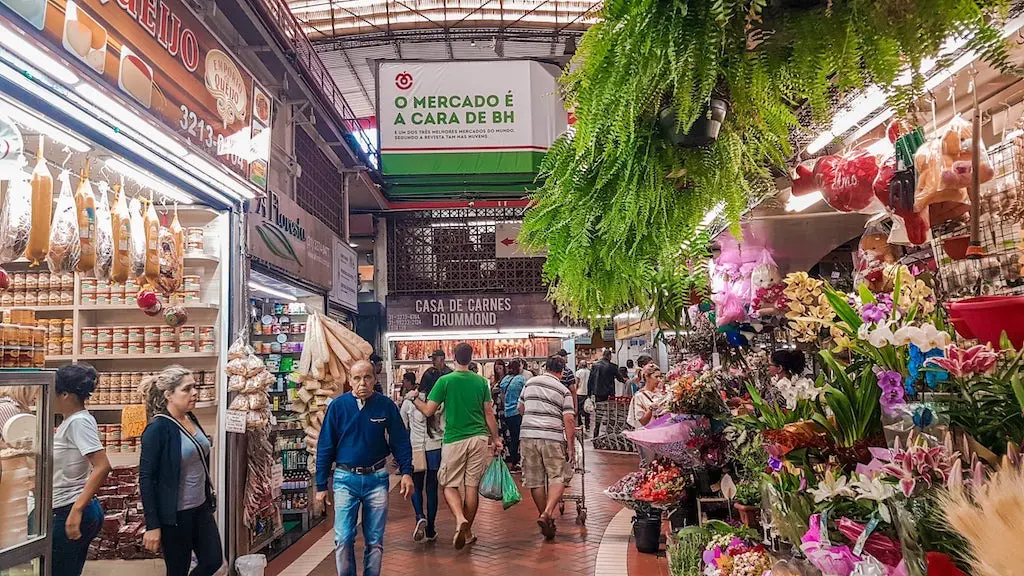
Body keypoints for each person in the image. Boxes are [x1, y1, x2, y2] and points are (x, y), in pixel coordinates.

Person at [315, 360, 413, 576]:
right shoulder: (338, 407)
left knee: (375, 541)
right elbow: (325, 445)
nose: (362, 383)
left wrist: (406, 471)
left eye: (367, 377)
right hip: (344, 479)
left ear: (374, 379)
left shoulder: (386, 406)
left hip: (376, 479)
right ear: (350, 381)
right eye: (357, 378)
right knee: (343, 538)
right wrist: (321, 485)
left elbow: (400, 440)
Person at [406, 342, 502, 550]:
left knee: (448, 484)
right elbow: (488, 413)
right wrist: (496, 439)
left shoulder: (445, 381)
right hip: (479, 438)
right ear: (471, 357)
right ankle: (467, 533)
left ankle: (460, 519)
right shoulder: (481, 382)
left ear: (453, 357)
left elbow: (429, 410)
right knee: (472, 486)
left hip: (455, 438)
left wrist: (414, 399)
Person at [139, 366, 222, 576]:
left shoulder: (190, 418)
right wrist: (152, 525)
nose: (194, 393)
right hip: (175, 515)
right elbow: (146, 478)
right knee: (178, 569)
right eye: (186, 389)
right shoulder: (157, 428)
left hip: (201, 507)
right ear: (169, 394)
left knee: (213, 561)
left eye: (194, 387)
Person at [52, 364, 111, 576]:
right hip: (68, 506)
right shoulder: (71, 421)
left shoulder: (78, 422)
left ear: (65, 395)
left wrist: (76, 510)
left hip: (69, 508)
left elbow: (102, 466)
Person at [518, 356, 576, 540]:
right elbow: (569, 419)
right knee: (557, 476)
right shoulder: (563, 390)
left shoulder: (530, 383)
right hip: (552, 437)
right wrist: (571, 447)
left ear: (545, 367)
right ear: (562, 371)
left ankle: (544, 515)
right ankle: (547, 513)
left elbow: (520, 408)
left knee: (535, 480)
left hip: (528, 436)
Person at [399, 372, 443, 543]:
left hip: (416, 448)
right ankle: (431, 528)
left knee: (416, 486)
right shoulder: (440, 402)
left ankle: (419, 516)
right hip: (435, 449)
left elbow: (402, 426)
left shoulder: (409, 402)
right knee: (432, 489)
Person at [498, 359, 527, 470]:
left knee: (512, 438)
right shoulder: (521, 379)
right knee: (519, 437)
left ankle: (513, 460)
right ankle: (518, 461)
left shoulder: (505, 380)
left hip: (507, 413)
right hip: (518, 412)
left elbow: (502, 396)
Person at [588, 350, 623, 438]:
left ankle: (595, 435)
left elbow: (590, 380)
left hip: (598, 394)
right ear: (609, 356)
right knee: (610, 415)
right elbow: (620, 378)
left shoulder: (595, 366)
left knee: (598, 415)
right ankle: (608, 435)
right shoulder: (612, 367)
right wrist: (626, 380)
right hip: (609, 395)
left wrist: (589, 393)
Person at [627, 364, 665, 429]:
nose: (659, 380)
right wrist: (651, 409)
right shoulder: (639, 396)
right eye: (656, 377)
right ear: (647, 377)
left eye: (660, 377)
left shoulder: (661, 393)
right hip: (648, 432)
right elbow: (642, 422)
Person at [574, 361, 592, 434]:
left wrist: (574, 391)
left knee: (578, 409)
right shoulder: (589, 372)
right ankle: (587, 426)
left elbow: (577, 383)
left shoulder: (578, 372)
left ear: (580, 365)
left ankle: (580, 424)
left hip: (579, 393)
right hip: (587, 393)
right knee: (587, 410)